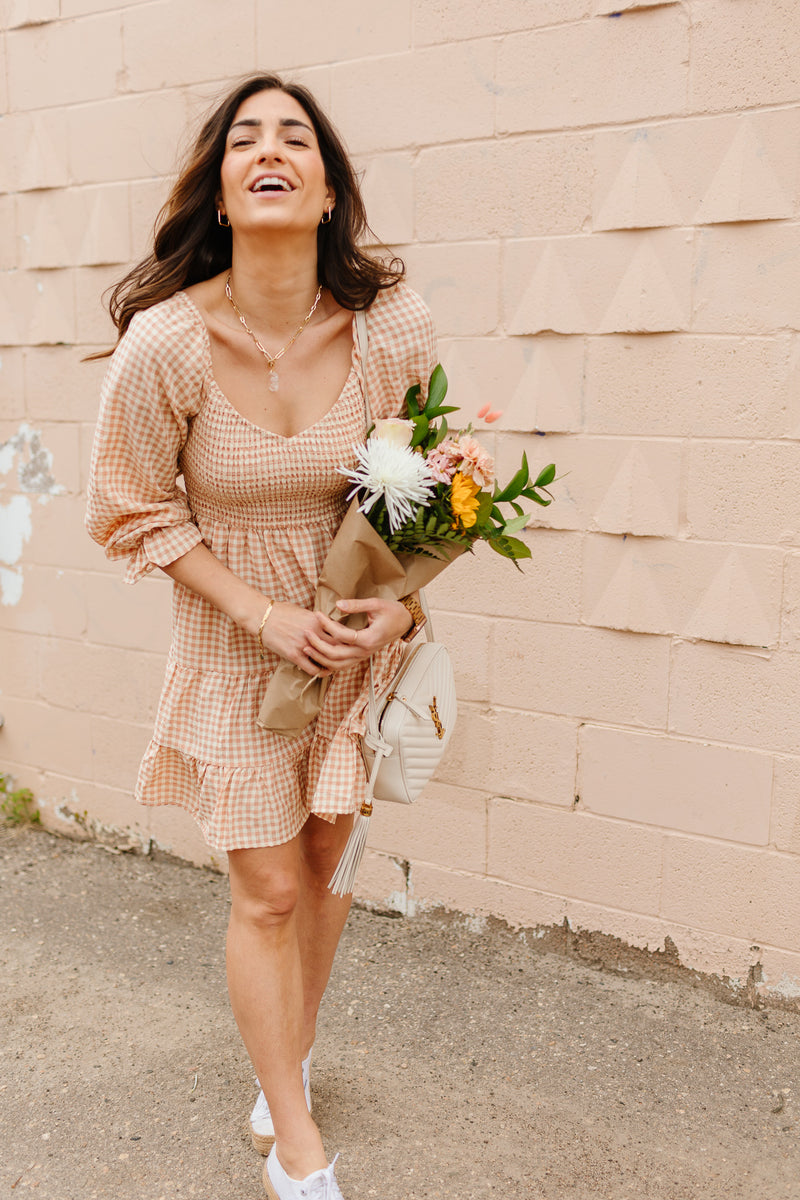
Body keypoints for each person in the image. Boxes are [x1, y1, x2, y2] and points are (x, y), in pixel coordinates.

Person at [85, 71, 436, 1200]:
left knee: (328, 864)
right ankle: (296, 1145)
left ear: (328, 190)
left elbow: (439, 493)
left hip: (346, 639)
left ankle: (285, 1054)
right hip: (236, 645)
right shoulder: (165, 346)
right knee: (268, 889)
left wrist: (402, 603)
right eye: (245, 141)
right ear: (222, 190)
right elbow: (136, 509)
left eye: (295, 138)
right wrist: (262, 615)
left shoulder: (391, 330)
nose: (269, 150)